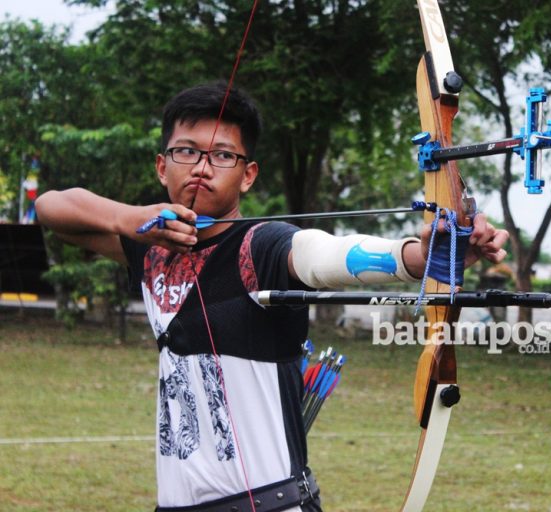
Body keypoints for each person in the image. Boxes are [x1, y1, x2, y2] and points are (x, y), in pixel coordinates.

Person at [36, 82, 509, 512]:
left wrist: (416, 254)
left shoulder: (261, 246)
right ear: (162, 166)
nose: (202, 167)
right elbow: (51, 207)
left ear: (248, 175)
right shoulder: (150, 247)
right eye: (186, 151)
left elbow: (324, 256)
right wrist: (131, 218)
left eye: (223, 155)